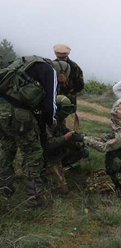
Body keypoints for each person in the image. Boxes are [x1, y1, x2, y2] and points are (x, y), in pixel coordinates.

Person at [0, 56, 59, 207]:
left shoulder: (23, 63)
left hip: (2, 109)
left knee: (7, 148)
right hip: (19, 115)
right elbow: (50, 106)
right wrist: (49, 123)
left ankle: (4, 188)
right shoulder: (50, 71)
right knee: (33, 153)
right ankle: (34, 199)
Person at [84, 84, 121, 197]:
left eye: (116, 113)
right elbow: (105, 139)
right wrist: (87, 137)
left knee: (92, 187)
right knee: (93, 177)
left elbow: (104, 147)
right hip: (115, 169)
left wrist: (84, 139)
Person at [42, 95, 89, 194]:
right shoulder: (48, 121)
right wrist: (65, 137)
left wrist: (84, 140)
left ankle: (57, 170)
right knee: (63, 191)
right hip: (48, 157)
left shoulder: (60, 120)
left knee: (79, 151)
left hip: (57, 154)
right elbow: (48, 144)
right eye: (65, 109)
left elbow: (69, 134)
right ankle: (45, 172)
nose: (67, 112)